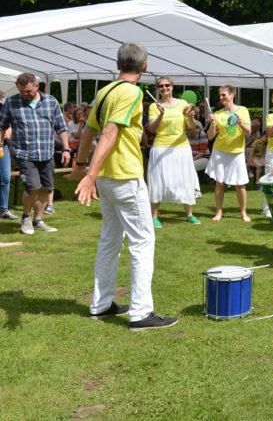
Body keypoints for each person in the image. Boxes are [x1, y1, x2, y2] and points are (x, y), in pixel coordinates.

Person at [73, 42, 178, 331]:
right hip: (124, 176)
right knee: (142, 241)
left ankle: (101, 304)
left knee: (110, 239)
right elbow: (109, 132)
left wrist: (82, 165)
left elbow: (89, 130)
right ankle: (141, 313)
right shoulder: (132, 92)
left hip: (108, 178)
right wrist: (89, 174)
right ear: (145, 66)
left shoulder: (105, 91)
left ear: (118, 64)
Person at [0, 72, 70, 234]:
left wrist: (66, 149)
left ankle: (38, 220)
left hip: (47, 153)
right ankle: (26, 217)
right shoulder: (11, 102)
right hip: (24, 154)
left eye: (29, 91)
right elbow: (2, 126)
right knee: (32, 187)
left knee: (47, 188)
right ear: (17, 87)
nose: (25, 94)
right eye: (22, 91)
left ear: (37, 86)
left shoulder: (51, 102)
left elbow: (61, 127)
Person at [146, 76, 201, 227]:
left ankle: (189, 214)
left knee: (184, 180)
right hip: (160, 148)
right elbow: (152, 129)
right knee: (158, 181)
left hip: (181, 148)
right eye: (161, 86)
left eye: (167, 85)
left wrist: (191, 117)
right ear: (157, 89)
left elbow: (192, 128)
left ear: (172, 87)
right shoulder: (154, 106)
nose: (164, 88)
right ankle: (154, 216)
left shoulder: (182, 104)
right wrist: (161, 115)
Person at [205, 85, 252, 222]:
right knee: (219, 183)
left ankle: (243, 213)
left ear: (232, 95)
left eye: (224, 95)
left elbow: (248, 131)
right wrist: (212, 124)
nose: (221, 98)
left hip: (237, 152)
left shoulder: (242, 110)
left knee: (240, 184)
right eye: (220, 95)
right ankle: (218, 212)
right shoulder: (217, 114)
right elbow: (210, 136)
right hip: (220, 152)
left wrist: (240, 123)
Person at [0, 93, 14, 220]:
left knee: (5, 177)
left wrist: (9, 129)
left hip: (2, 146)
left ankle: (3, 209)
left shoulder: (2, 107)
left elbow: (9, 124)